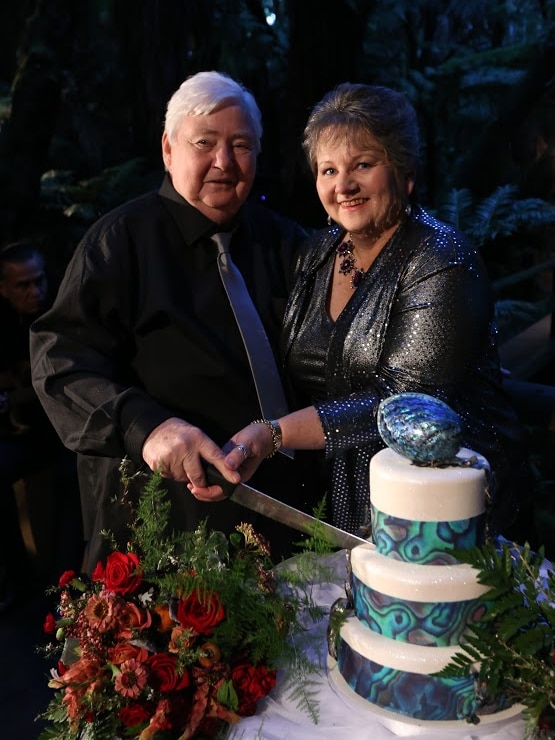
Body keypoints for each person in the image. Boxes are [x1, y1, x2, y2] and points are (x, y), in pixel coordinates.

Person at [216, 82, 534, 544]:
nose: (342, 185)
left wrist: (274, 434)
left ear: (404, 173)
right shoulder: (316, 254)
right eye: (328, 170)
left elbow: (406, 403)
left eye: (362, 165)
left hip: (451, 509)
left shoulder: (441, 259)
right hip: (347, 503)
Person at [30, 71, 316, 574]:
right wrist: (149, 427)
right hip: (162, 533)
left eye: (241, 145)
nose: (224, 162)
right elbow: (59, 363)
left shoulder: (287, 243)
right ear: (168, 149)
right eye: (204, 143)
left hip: (287, 520)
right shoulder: (119, 243)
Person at [0, 242, 83, 610]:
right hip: (21, 436)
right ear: (4, 289)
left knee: (74, 475)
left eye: (39, 281)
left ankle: (62, 587)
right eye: (23, 285)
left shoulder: (61, 312)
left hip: (62, 433)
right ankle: (18, 580)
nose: (35, 291)